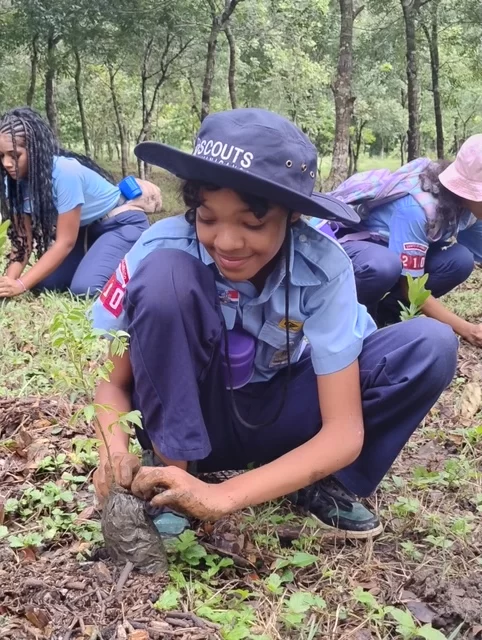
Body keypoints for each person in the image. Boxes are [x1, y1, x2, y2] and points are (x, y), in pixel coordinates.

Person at [91, 108, 458, 540]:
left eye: (252, 223)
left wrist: (223, 496)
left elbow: (343, 430)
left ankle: (320, 481)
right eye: (208, 218)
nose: (226, 242)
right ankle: (171, 472)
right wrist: (113, 451)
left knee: (428, 344)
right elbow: (112, 382)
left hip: (283, 414)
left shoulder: (324, 267)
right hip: (190, 415)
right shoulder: (160, 246)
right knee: (164, 276)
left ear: (292, 216)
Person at [319, 136, 482, 342]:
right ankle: (359, 322)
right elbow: (410, 288)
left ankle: (387, 317)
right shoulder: (417, 210)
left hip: (394, 254)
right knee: (383, 266)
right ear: (468, 191)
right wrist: (469, 331)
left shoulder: (470, 209)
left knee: (460, 260)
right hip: (359, 254)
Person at [0, 107, 159, 297]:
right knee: (44, 284)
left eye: (14, 156)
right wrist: (8, 284)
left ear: (34, 150)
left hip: (119, 224)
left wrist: (21, 285)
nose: (7, 163)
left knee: (86, 289)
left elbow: (65, 242)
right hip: (85, 233)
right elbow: (23, 244)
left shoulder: (65, 173)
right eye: (2, 156)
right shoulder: (14, 183)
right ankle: (95, 258)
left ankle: (142, 260)